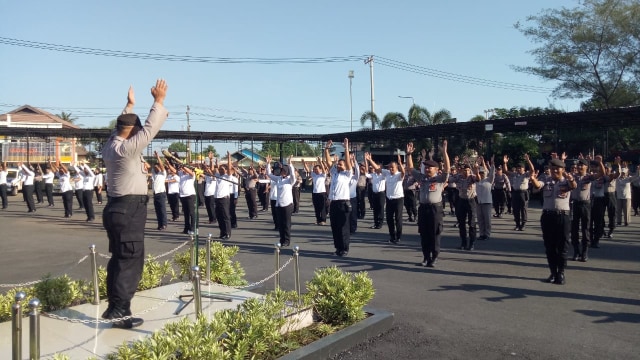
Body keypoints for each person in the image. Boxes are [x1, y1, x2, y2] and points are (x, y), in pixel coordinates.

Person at [101, 79, 168, 329]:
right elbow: (150, 129)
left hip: (117, 207)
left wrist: (129, 106)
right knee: (130, 259)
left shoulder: (111, 144)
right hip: (129, 209)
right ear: (132, 132)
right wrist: (158, 101)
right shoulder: (126, 149)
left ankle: (117, 308)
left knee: (120, 258)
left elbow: (125, 124)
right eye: (136, 130)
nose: (140, 133)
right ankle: (120, 311)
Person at [530, 157, 576, 285]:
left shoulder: (567, 181)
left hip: (563, 216)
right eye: (552, 168)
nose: (555, 170)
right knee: (549, 246)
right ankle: (553, 272)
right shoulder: (546, 180)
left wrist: (571, 178)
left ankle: (561, 273)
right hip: (548, 216)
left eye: (557, 168)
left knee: (563, 247)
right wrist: (533, 179)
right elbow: (538, 185)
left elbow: (573, 186)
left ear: (563, 170)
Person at [407, 140, 450, 267]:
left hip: (435, 210)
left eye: (429, 167)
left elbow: (447, 168)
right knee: (424, 234)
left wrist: (445, 152)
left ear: (436, 169)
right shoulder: (422, 177)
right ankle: (426, 257)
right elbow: (410, 169)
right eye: (426, 167)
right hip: (423, 209)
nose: (427, 168)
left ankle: (434, 257)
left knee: (435, 234)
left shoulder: (440, 178)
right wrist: (409, 154)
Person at [366, 150, 405, 244]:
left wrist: (400, 163)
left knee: (398, 219)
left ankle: (398, 236)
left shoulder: (399, 175)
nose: (390, 169)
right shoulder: (387, 173)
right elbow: (377, 169)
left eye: (392, 167)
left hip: (398, 199)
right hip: (389, 199)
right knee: (389, 219)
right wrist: (370, 160)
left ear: (396, 168)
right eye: (389, 167)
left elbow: (403, 172)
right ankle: (392, 236)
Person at [569, 157, 604, 262]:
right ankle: (576, 251)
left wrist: (600, 163)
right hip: (575, 204)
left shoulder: (588, 177)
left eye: (582, 165)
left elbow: (601, 173)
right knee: (574, 228)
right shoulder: (573, 177)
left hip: (586, 205)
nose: (579, 167)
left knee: (585, 229)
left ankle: (584, 252)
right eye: (578, 165)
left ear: (586, 167)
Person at [325, 139, 353, 256]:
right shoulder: (334, 173)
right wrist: (327, 149)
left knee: (343, 227)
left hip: (343, 203)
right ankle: (338, 248)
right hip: (334, 203)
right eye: (337, 164)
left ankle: (344, 248)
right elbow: (328, 162)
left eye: (340, 164)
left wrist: (346, 148)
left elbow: (347, 163)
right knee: (335, 227)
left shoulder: (347, 174)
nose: (338, 166)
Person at [266, 154, 296, 246]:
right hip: (279, 204)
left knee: (286, 224)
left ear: (286, 172)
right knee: (280, 224)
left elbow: (293, 175)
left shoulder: (290, 180)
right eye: (281, 170)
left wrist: (290, 164)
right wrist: (268, 164)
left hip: (287, 205)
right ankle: (282, 239)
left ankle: (287, 241)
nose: (281, 172)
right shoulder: (278, 179)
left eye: (283, 170)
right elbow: (269, 174)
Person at [503, 154, 535, 231]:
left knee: (523, 209)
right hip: (515, 193)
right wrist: (505, 163)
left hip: (523, 193)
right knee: (515, 209)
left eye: (520, 168)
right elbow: (506, 171)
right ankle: (517, 224)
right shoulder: (515, 174)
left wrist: (528, 161)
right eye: (517, 168)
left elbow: (532, 170)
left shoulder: (526, 174)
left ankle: (523, 224)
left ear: (523, 169)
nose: (518, 169)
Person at [454, 162, 478, 250]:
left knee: (471, 223)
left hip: (471, 201)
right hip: (461, 200)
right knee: (461, 223)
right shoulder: (458, 177)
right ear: (462, 171)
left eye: (468, 170)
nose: (467, 172)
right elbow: (449, 179)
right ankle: (463, 243)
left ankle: (472, 243)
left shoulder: (472, 177)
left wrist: (476, 170)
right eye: (465, 170)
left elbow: (478, 179)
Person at [475, 156, 495, 241]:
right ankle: (481, 233)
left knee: (487, 219)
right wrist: (477, 164)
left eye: (483, 173)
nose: (481, 174)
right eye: (480, 173)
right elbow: (474, 171)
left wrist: (492, 163)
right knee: (480, 219)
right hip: (479, 202)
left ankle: (487, 234)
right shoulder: (477, 180)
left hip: (487, 202)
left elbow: (492, 173)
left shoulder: (489, 180)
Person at [364, 154, 386, 230]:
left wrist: (370, 160)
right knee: (375, 209)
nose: (375, 168)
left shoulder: (383, 175)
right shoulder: (373, 174)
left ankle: (380, 223)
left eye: (377, 167)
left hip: (381, 194)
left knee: (380, 209)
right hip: (375, 194)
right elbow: (366, 174)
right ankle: (376, 223)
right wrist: (366, 161)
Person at [304, 157, 327, 226]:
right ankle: (318, 219)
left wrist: (320, 162)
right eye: (314, 169)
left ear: (320, 170)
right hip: (315, 193)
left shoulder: (322, 175)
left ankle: (323, 220)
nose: (315, 170)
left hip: (322, 193)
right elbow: (308, 170)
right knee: (316, 207)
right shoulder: (314, 175)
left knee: (322, 207)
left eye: (317, 169)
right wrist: (304, 164)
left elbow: (324, 169)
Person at [151, 151, 168, 231]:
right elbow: (150, 167)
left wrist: (158, 157)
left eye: (157, 167)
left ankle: (164, 224)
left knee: (162, 209)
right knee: (157, 210)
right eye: (155, 167)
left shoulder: (163, 173)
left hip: (161, 193)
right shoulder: (154, 173)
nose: (156, 168)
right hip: (155, 193)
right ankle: (159, 224)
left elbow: (162, 166)